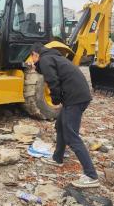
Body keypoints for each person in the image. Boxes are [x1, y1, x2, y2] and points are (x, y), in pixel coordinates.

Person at [28, 42, 99, 188]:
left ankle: (91, 175)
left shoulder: (46, 59)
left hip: (75, 98)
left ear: (35, 54)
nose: (32, 60)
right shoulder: (52, 57)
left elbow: (53, 81)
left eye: (32, 58)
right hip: (76, 95)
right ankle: (57, 158)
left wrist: (55, 99)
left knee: (71, 135)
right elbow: (51, 72)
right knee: (60, 126)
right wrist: (37, 68)